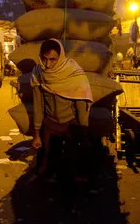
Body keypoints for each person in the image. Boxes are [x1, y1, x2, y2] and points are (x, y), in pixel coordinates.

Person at [30, 39, 93, 182]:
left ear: (60, 57)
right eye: (44, 59)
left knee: (75, 170)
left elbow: (80, 106)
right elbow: (38, 106)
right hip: (50, 123)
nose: (48, 64)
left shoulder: (72, 73)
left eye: (52, 60)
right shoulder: (38, 73)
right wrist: (36, 134)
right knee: (44, 170)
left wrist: (84, 131)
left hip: (70, 123)